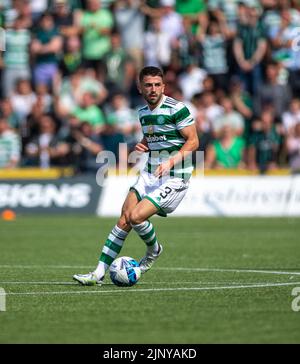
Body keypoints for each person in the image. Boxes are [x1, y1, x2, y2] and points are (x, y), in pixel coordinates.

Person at [73, 66, 199, 285]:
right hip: (150, 173)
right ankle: (97, 274)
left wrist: (170, 161)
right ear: (140, 88)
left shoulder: (177, 109)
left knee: (136, 217)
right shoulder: (142, 114)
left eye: (157, 85)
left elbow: (193, 141)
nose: (153, 89)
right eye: (148, 85)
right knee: (124, 218)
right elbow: (154, 138)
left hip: (175, 176)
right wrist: (143, 144)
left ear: (163, 86)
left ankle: (154, 250)